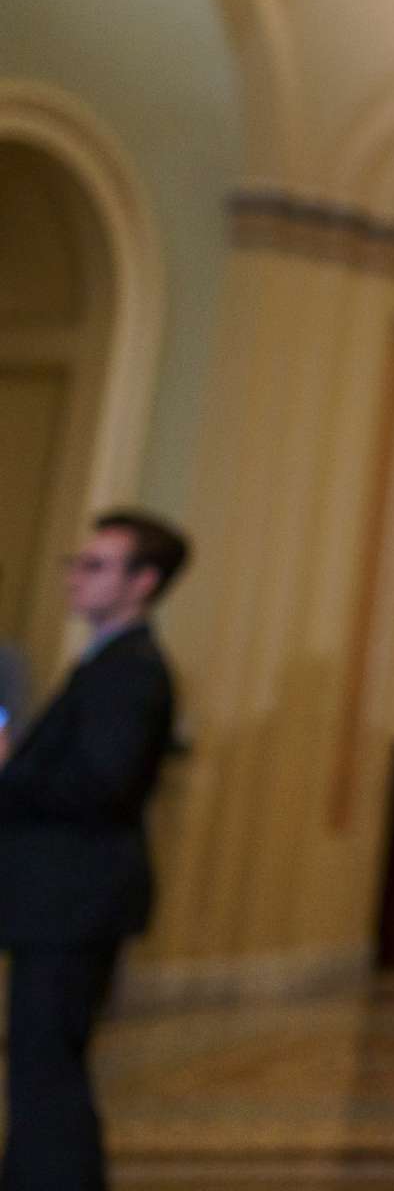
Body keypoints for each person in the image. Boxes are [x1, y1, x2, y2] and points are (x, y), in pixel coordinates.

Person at [0, 510, 188, 1191]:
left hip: (73, 898)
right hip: (60, 897)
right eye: (76, 562)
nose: (75, 578)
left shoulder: (129, 670)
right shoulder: (108, 662)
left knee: (47, 1068)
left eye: (96, 565)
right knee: (40, 1063)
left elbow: (102, 785)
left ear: (144, 582)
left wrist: (10, 769)